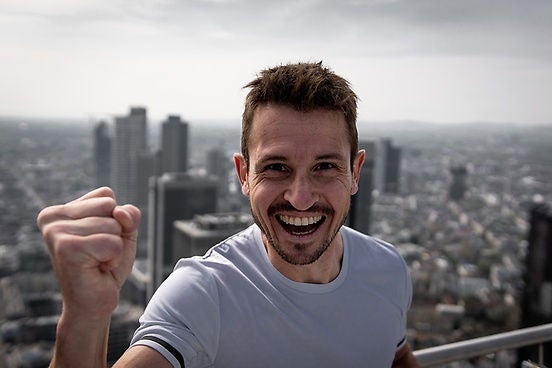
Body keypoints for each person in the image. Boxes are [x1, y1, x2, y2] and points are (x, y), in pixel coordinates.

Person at [37, 62, 419, 367]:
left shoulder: (388, 269)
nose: (301, 198)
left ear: (355, 172)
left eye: (324, 167)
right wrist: (85, 316)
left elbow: (394, 353)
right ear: (243, 174)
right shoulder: (204, 293)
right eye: (276, 168)